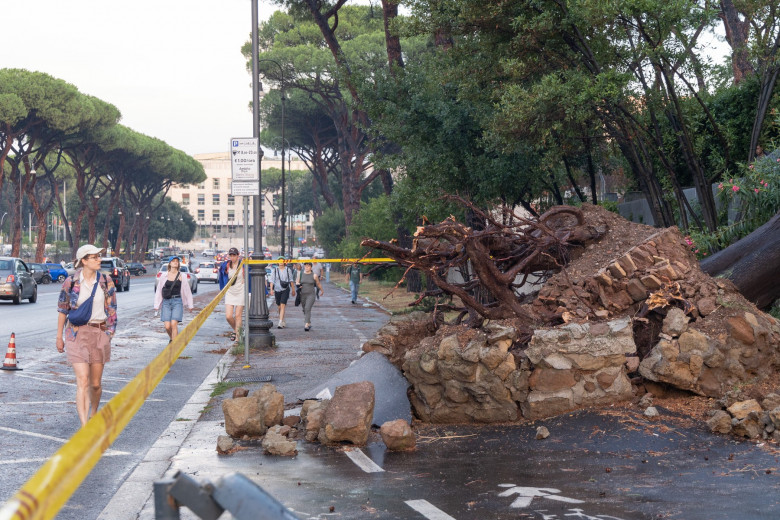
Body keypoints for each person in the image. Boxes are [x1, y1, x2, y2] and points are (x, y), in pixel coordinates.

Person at [56, 244, 117, 427]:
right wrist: (59, 336)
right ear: (84, 261)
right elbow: (62, 309)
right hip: (76, 333)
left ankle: (94, 412)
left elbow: (112, 310)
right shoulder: (71, 282)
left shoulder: (106, 281)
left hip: (99, 333)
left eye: (99, 257)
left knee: (95, 384)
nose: (99, 260)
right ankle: (85, 426)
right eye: (95, 257)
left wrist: (108, 334)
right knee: (82, 380)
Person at [154, 255, 193, 343]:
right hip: (166, 302)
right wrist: (156, 305)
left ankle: (174, 346)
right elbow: (159, 291)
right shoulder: (164, 275)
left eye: (177, 261)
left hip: (177, 301)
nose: (175, 262)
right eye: (173, 261)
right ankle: (173, 339)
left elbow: (187, 291)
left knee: (174, 324)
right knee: (167, 326)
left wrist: (190, 305)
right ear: (170, 263)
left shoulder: (182, 276)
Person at [219, 247, 245, 342]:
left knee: (238, 315)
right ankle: (236, 330)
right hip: (230, 292)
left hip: (241, 291)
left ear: (238, 255)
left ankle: (238, 339)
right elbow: (221, 277)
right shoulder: (225, 265)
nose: (232, 257)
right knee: (229, 316)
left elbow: (250, 274)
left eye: (234, 255)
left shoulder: (243, 264)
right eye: (231, 255)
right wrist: (222, 290)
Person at [269, 257, 296, 329]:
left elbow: (291, 280)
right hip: (277, 289)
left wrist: (293, 289)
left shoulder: (288, 270)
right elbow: (272, 280)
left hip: (285, 289)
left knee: (283, 305)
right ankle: (283, 319)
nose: (281, 262)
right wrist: (271, 289)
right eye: (279, 261)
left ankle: (280, 322)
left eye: (282, 261)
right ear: (277, 262)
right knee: (279, 306)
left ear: (284, 262)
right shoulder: (275, 270)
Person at [298, 261, 323, 331]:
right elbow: (297, 282)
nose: (306, 267)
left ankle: (306, 324)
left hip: (311, 294)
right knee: (304, 309)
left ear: (311, 267)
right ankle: (308, 322)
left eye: (308, 266)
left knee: (307, 308)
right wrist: (299, 286)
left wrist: (322, 290)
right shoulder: (300, 274)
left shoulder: (314, 275)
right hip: (302, 294)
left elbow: (318, 283)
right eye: (305, 266)